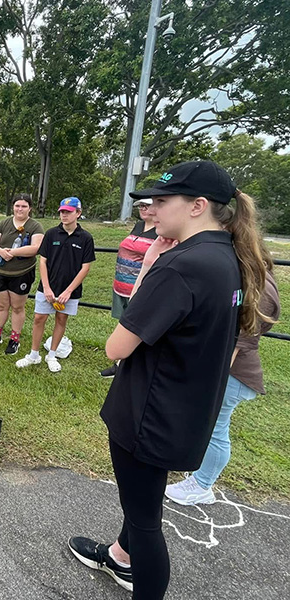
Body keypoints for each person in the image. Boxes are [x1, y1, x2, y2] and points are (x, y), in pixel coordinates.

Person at [68, 161, 268, 600]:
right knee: (144, 502)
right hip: (184, 409)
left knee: (145, 522)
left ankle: (137, 575)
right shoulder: (226, 256)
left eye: (161, 201)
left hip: (150, 414)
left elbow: (116, 347)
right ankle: (120, 557)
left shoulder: (181, 264)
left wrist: (152, 262)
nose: (152, 210)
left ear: (197, 206)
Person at [165, 261, 280, 505]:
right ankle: (198, 473)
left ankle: (202, 485)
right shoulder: (248, 273)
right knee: (205, 424)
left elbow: (241, 341)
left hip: (234, 374)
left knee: (216, 429)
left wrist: (209, 382)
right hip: (225, 369)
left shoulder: (260, 284)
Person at [16, 197, 94, 372]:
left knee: (61, 319)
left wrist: (68, 291)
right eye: (62, 211)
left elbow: (85, 267)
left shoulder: (86, 238)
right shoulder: (51, 234)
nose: (64, 215)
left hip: (70, 290)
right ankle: (34, 355)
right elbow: (43, 261)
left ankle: (52, 355)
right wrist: (47, 287)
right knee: (39, 318)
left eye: (68, 212)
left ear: (78, 213)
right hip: (47, 287)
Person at [100, 199, 158, 378]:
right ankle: (122, 363)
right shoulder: (138, 226)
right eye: (141, 206)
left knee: (134, 326)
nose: (143, 209)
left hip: (139, 288)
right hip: (121, 285)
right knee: (123, 324)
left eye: (147, 205)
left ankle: (122, 366)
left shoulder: (160, 231)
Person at [0, 193, 44, 355]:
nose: (20, 209)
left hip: (22, 273)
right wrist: (1, 252)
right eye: (17, 205)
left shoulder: (35, 226)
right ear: (13, 207)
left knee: (17, 307)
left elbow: (36, 248)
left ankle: (14, 339)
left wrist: (13, 251)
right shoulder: (4, 223)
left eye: (24, 206)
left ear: (30, 208)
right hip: (0, 271)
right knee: (2, 306)